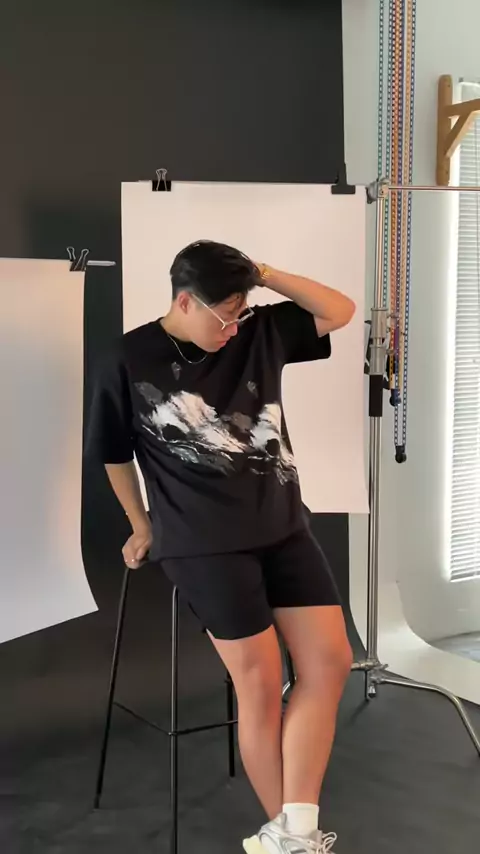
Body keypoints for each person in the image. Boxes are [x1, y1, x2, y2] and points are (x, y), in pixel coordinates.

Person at [85, 240, 356, 854]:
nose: (233, 329)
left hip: (284, 529)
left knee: (330, 662)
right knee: (260, 686)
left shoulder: (258, 332)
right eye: (224, 316)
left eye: (241, 313)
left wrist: (264, 274)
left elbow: (338, 310)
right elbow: (112, 453)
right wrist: (141, 523)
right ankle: (296, 840)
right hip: (204, 544)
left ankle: (292, 831)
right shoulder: (126, 357)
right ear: (185, 301)